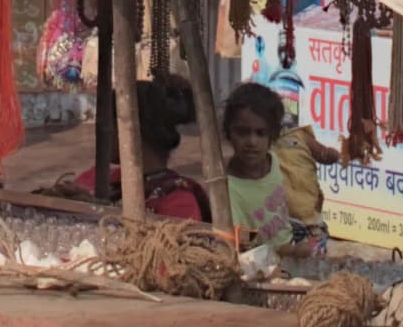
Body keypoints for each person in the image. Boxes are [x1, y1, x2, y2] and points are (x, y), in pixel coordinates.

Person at [56, 74, 210, 220]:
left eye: (108, 124)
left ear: (132, 130)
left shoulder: (178, 203)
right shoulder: (93, 178)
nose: (101, 134)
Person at [217, 83, 323, 247]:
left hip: (291, 242)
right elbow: (237, 237)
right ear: (228, 133)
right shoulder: (228, 188)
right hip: (259, 263)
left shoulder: (273, 161)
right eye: (243, 132)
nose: (252, 142)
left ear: (273, 135)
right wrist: (278, 250)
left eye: (260, 133)